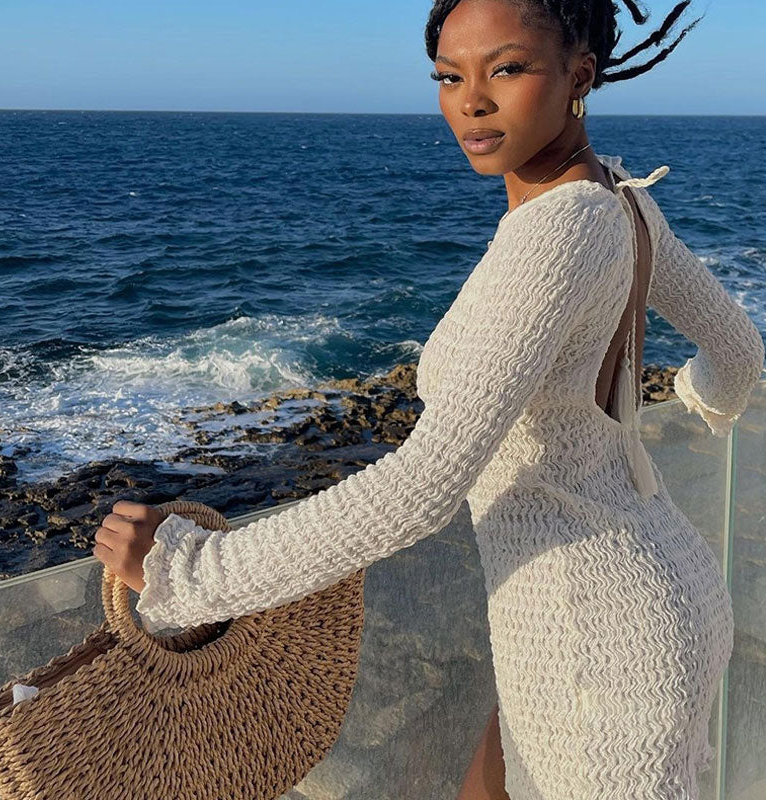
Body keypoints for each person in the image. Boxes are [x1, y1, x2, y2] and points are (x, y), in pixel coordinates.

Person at [93, 1, 765, 798]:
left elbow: (427, 482)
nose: (471, 101)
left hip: (591, 633)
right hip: (639, 592)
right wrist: (677, 406)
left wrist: (193, 571)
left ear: (579, 76)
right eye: (450, 76)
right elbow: (738, 351)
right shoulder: (619, 199)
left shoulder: (558, 231)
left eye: (505, 69)